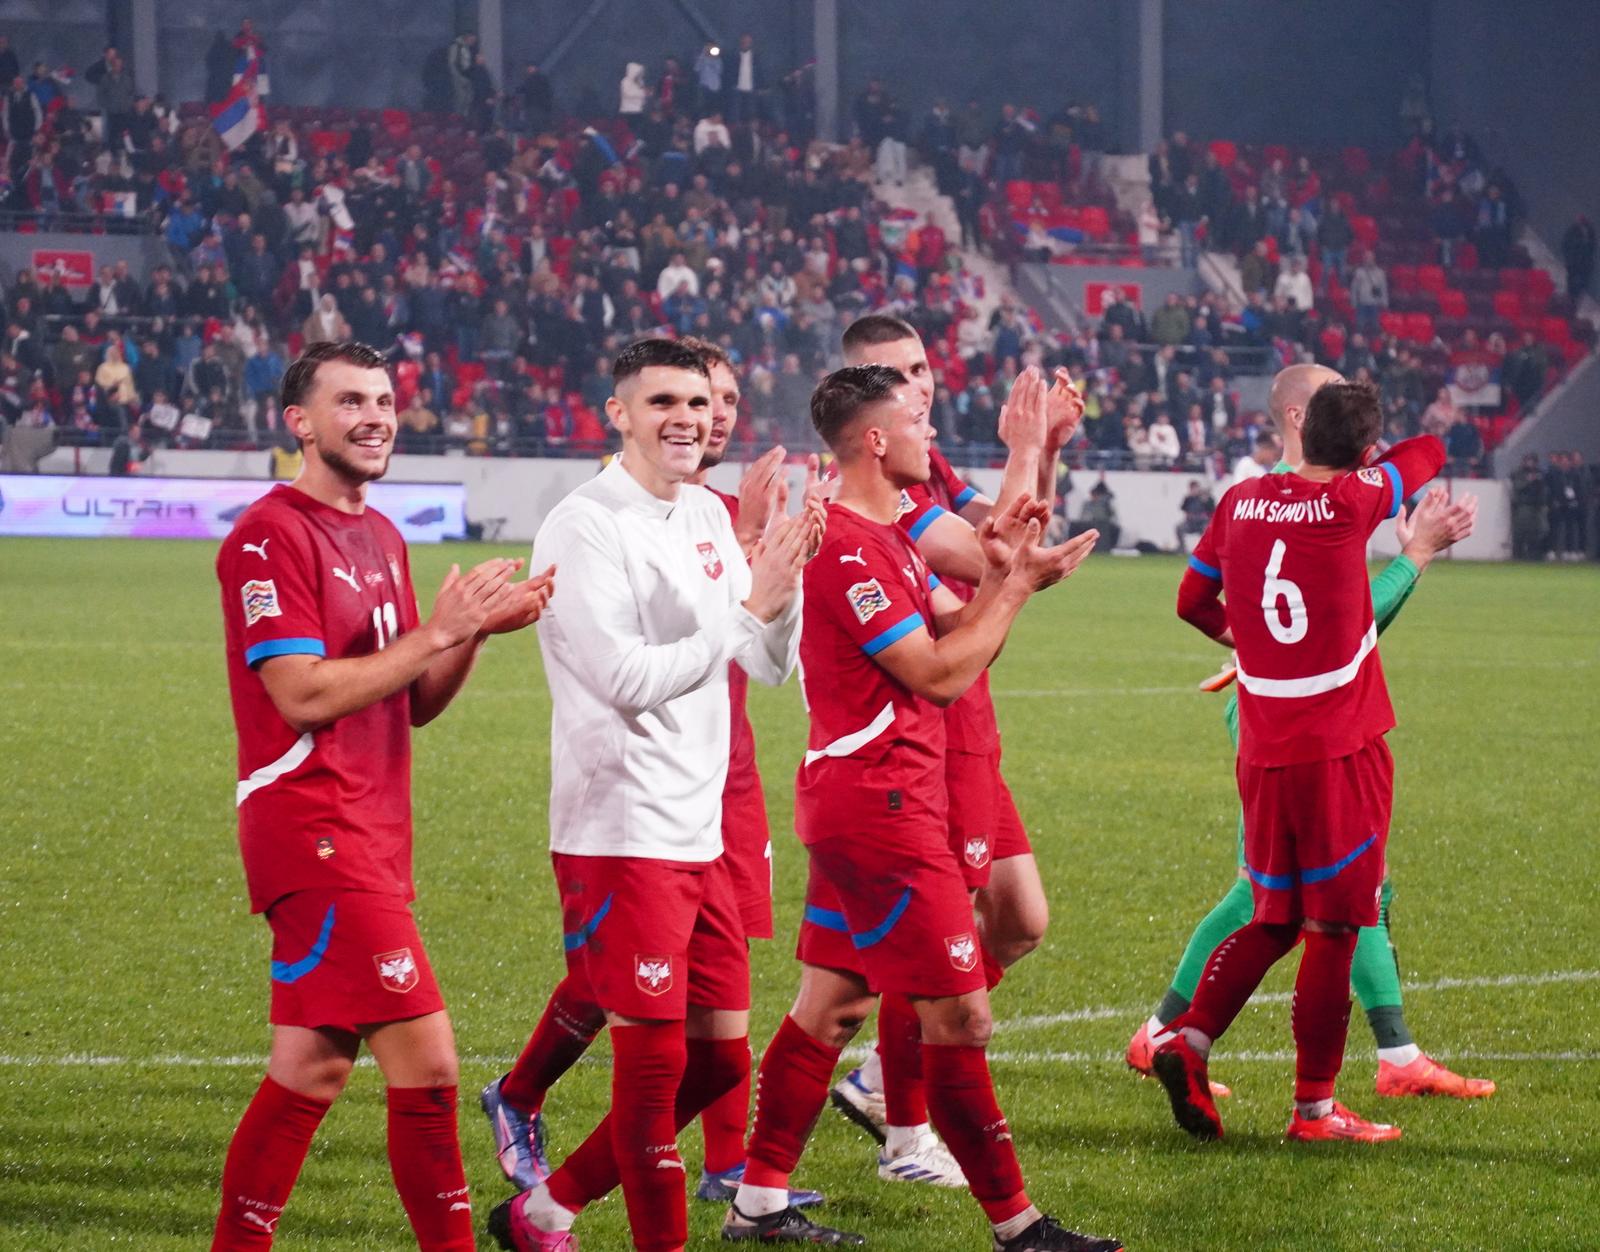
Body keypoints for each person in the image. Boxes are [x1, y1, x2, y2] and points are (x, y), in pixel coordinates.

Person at [724, 362, 1118, 1251]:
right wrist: (1009, 587)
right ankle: (1019, 1228)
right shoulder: (849, 550)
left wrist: (1017, 574)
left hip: (874, 795)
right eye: (915, 420)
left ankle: (758, 1202)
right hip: (882, 807)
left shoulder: (891, 534)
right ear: (875, 439)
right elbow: (939, 674)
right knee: (962, 1017)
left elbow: (958, 629)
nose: (928, 435)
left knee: (829, 1004)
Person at [209, 341, 553, 1250]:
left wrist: (470, 634)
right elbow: (303, 692)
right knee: (432, 1069)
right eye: (351, 400)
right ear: (300, 422)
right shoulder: (268, 535)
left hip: (371, 833)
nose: (375, 416)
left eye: (386, 400)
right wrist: (442, 627)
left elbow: (415, 702)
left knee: (310, 1072)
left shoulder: (384, 536)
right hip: (312, 827)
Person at [486, 338, 819, 1252]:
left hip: (700, 829)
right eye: (663, 401)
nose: (690, 418)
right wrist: (748, 611)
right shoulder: (586, 524)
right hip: (621, 829)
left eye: (699, 404)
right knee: (652, 1076)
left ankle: (543, 1210)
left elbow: (766, 664)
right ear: (619, 413)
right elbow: (625, 676)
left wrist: (780, 591)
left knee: (715, 1062)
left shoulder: (705, 518)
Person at [1132, 365, 1492, 1103]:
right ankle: (1302, 1092)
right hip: (1327, 737)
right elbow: (1425, 455)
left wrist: (1252, 645)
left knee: (1288, 907)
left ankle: (1374, 1049)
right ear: (1301, 417)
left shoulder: (1241, 501)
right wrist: (1417, 551)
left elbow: (1191, 599)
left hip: (1268, 722)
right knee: (1317, 913)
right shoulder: (1346, 502)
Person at [824, 318, 1081, 1183]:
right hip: (923, 737)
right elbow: (986, 560)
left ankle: (874, 1089)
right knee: (923, 954)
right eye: (899, 373)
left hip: (965, 718)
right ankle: (900, 1124)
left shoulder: (924, 471)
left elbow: (1017, 538)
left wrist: (1041, 454)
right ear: (866, 401)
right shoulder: (881, 496)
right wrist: (1026, 452)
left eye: (924, 365)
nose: (922, 384)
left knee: (1017, 921)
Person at [1510, 452, 1549, 561]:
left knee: (1537, 532)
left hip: (1537, 506)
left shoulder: (1540, 473)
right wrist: (1529, 480)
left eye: (1532, 461)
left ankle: (1535, 555)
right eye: (1528, 460)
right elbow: (1518, 486)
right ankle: (1518, 555)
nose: (1530, 463)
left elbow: (1544, 489)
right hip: (1524, 506)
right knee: (1520, 532)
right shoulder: (1519, 473)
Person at [1176, 480, 1214, 553]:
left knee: (1206, 530)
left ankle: (1206, 550)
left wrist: (1206, 500)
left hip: (1202, 523)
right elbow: (1183, 508)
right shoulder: (1188, 498)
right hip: (1190, 523)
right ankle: (1182, 548)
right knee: (1179, 528)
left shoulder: (1205, 498)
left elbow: (1212, 509)